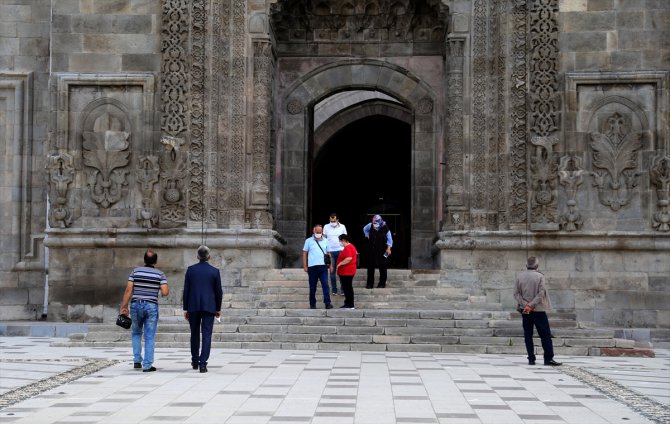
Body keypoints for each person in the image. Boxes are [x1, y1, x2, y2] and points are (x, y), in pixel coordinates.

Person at [120, 249, 169, 372]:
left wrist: (124, 306)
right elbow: (164, 292)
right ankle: (147, 365)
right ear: (156, 261)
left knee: (136, 333)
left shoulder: (135, 271)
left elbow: (128, 290)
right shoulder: (160, 274)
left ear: (144, 260)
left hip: (136, 305)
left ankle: (137, 361)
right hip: (151, 306)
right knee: (149, 336)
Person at [514, 256, 562, 366]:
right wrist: (531, 305)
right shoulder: (540, 276)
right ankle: (548, 358)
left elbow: (516, 294)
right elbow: (541, 293)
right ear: (537, 266)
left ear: (526, 265)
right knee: (545, 335)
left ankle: (531, 359)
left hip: (525, 310)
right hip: (538, 310)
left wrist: (526, 305)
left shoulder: (519, 276)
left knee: (528, 334)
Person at [183, 245, 223, 373]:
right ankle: (203, 363)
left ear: (197, 256)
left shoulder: (190, 270)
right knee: (207, 335)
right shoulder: (215, 271)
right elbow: (219, 292)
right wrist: (218, 308)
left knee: (194, 334)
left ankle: (195, 360)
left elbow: (186, 291)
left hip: (193, 306)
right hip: (209, 306)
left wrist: (185, 308)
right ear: (209, 256)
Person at [302, 225, 333, 309]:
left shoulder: (326, 241)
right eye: (317, 232)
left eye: (320, 232)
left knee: (325, 284)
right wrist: (305, 266)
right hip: (312, 267)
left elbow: (328, 253)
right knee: (312, 286)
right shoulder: (308, 241)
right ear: (314, 232)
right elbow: (305, 253)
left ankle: (327, 303)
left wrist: (331, 265)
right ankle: (312, 304)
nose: (319, 234)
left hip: (323, 267)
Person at [362, 214, 393, 289]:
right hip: (372, 249)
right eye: (374, 223)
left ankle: (382, 283)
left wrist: (389, 248)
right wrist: (367, 235)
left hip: (382, 249)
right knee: (370, 267)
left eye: (376, 223)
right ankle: (370, 284)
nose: (375, 224)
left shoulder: (385, 227)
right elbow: (364, 229)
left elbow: (390, 239)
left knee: (382, 266)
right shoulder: (370, 225)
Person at [323, 213, 347, 296]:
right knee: (332, 271)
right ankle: (334, 290)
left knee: (341, 270)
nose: (332, 222)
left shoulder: (342, 226)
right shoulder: (326, 226)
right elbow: (324, 239)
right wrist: (325, 251)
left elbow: (345, 239)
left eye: (334, 221)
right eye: (331, 220)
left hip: (341, 251)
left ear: (337, 220)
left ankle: (343, 289)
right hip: (330, 252)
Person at [336, 234, 358, 309]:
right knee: (347, 288)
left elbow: (348, 258)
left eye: (340, 241)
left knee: (347, 288)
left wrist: (339, 264)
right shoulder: (350, 246)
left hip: (347, 272)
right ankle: (348, 303)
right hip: (346, 271)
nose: (340, 243)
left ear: (343, 240)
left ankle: (350, 304)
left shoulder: (348, 247)